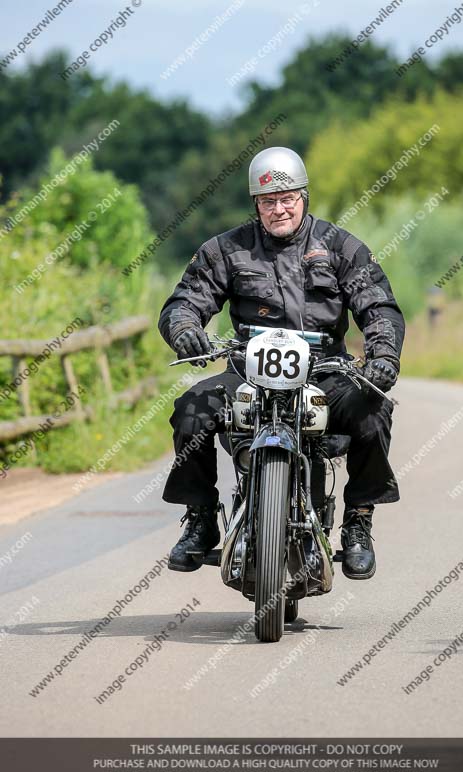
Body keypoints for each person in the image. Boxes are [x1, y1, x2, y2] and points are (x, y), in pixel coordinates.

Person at [158, 146, 405, 580]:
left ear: (304, 197)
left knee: (374, 410)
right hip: (247, 372)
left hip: (327, 372)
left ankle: (359, 522)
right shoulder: (225, 250)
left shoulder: (342, 247)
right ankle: (199, 519)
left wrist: (382, 355)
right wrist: (184, 330)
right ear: (256, 204)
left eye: (288, 198)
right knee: (191, 411)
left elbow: (379, 307)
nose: (279, 209)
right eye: (269, 201)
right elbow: (185, 301)